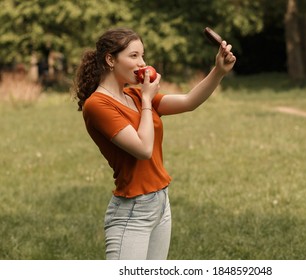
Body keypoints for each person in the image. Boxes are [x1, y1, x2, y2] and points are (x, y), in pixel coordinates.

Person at [74, 27, 236, 260]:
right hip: (132, 211)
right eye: (133, 56)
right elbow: (143, 149)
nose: (142, 63)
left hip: (160, 203)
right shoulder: (98, 105)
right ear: (110, 59)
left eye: (143, 55)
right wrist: (148, 100)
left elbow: (189, 101)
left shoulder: (134, 96)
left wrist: (218, 71)